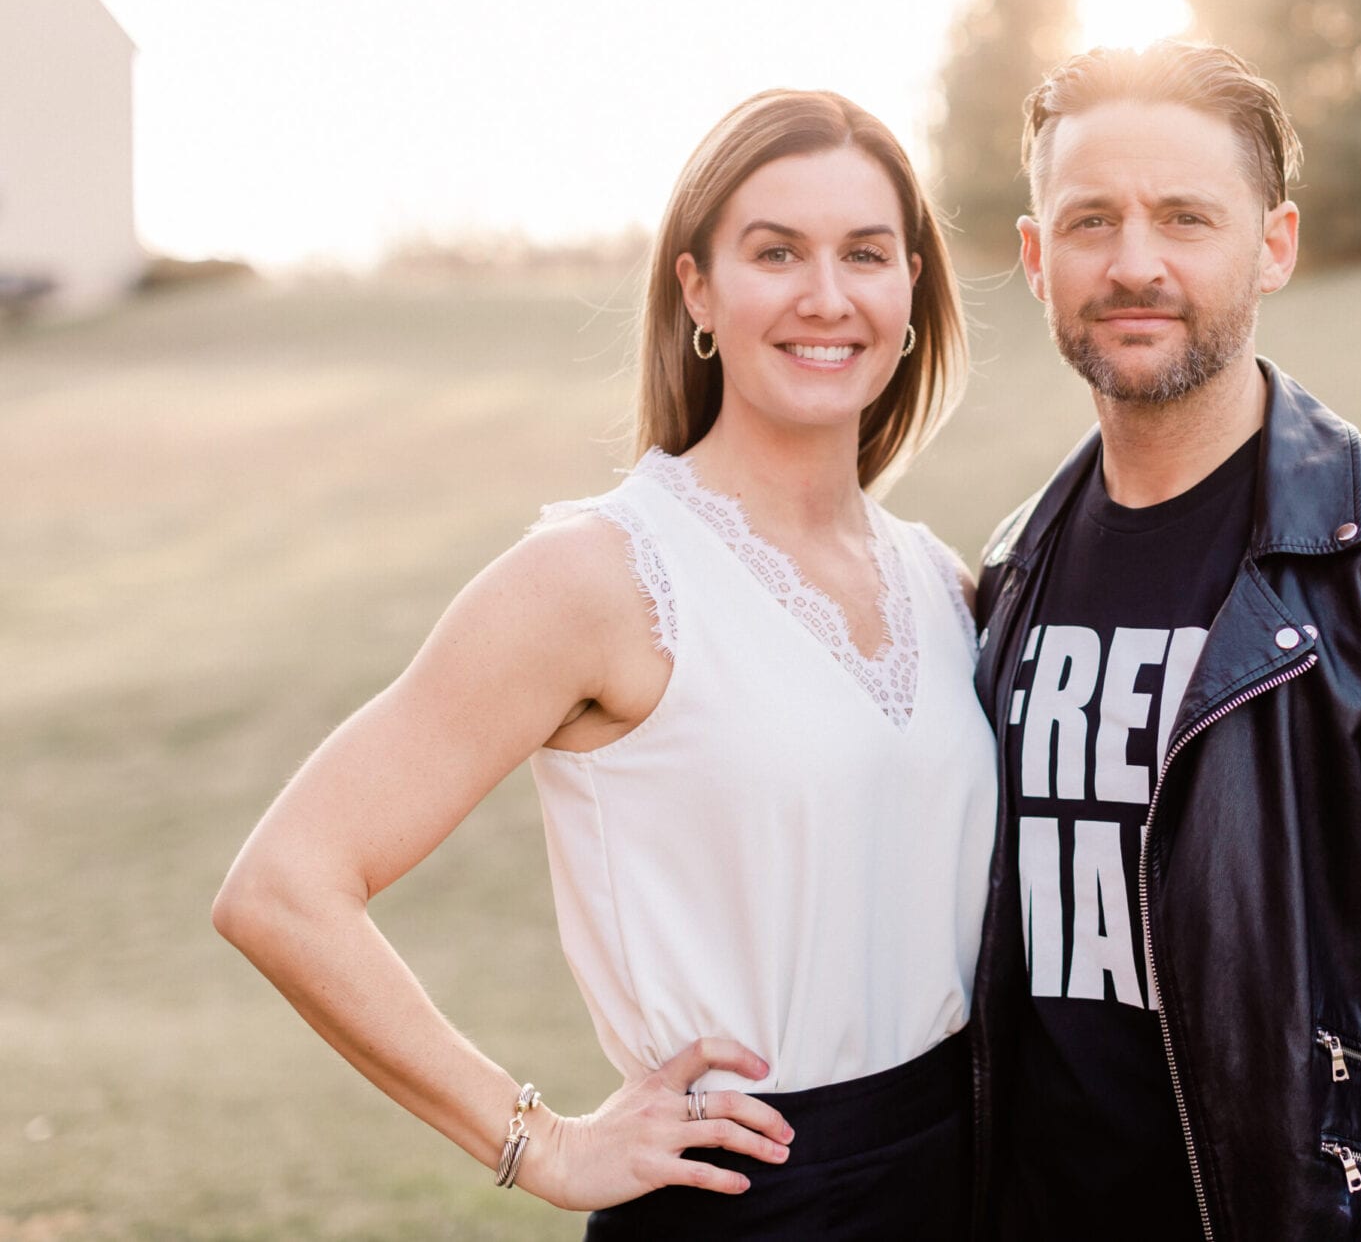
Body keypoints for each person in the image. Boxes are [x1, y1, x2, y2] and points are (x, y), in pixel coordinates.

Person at [213, 89, 995, 1240]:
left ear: (912, 291)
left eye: (865, 253)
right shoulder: (600, 576)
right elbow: (282, 889)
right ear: (697, 292)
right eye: (775, 252)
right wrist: (542, 1142)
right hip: (746, 1206)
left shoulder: (944, 585)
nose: (825, 296)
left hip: (964, 1182)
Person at [966, 43, 1361, 1240]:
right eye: (1090, 220)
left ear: (1273, 243)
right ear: (1037, 260)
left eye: (1185, 218)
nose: (1133, 263)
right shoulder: (1009, 570)